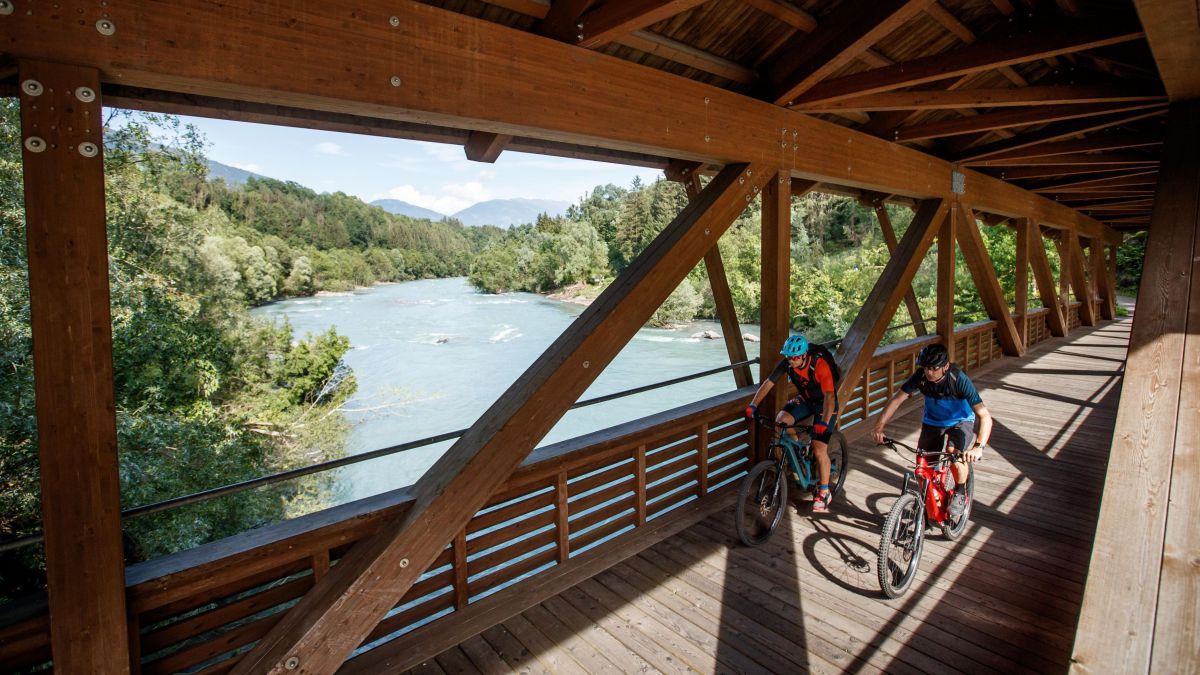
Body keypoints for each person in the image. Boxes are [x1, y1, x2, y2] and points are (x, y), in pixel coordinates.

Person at [872, 342, 991, 519]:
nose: (929, 372)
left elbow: (985, 416)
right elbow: (897, 400)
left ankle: (959, 492)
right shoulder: (920, 377)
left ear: (946, 366)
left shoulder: (958, 380)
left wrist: (978, 447)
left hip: (960, 420)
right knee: (922, 468)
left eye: (934, 368)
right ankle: (927, 504)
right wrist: (879, 427)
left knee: (954, 454)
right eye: (926, 367)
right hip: (933, 421)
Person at [744, 334, 839, 513]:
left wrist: (824, 423)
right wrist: (753, 405)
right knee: (782, 420)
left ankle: (824, 492)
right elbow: (768, 383)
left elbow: (830, 396)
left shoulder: (819, 365)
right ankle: (800, 450)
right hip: (807, 399)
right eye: (788, 357)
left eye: (795, 357)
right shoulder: (787, 363)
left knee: (819, 449)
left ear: (804, 355)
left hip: (826, 405)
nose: (792, 360)